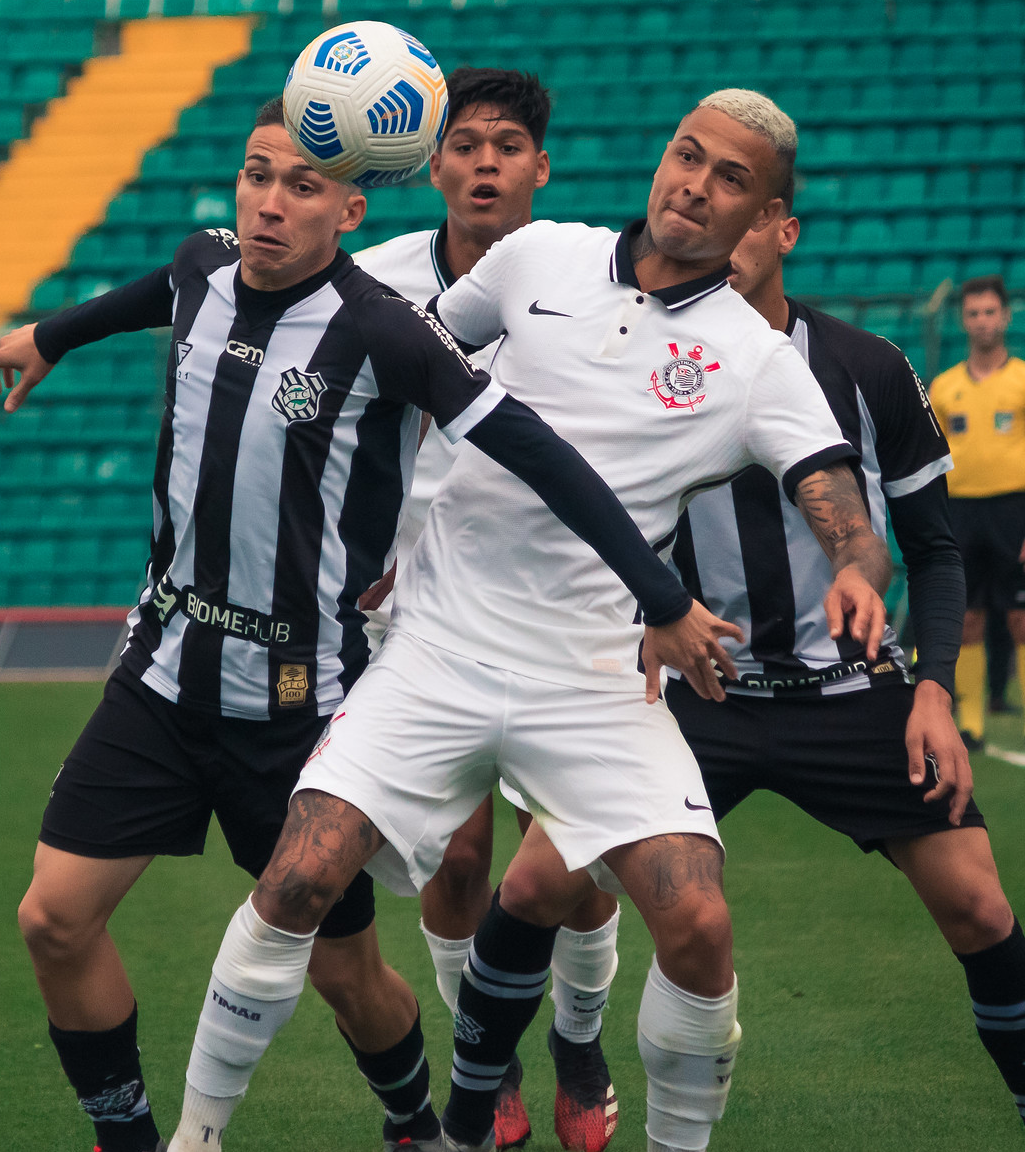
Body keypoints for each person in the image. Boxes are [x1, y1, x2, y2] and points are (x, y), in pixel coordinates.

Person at [167, 90, 888, 1152]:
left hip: (594, 675)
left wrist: (857, 568)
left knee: (695, 921)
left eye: (728, 177)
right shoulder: (538, 256)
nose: (694, 183)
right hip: (436, 646)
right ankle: (194, 1138)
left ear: (766, 216)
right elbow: (381, 367)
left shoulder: (755, 361)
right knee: (296, 878)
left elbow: (838, 498)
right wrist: (376, 537)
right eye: (685, 154)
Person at [0, 99, 699, 1152]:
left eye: (301, 187)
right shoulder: (199, 268)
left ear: (348, 208)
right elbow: (149, 295)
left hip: (297, 700)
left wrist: (663, 597)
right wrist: (47, 335)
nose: (270, 203)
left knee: (342, 970)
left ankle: (411, 1120)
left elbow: (535, 452)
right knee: (51, 918)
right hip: (163, 668)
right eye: (256, 176)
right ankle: (129, 1136)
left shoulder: (379, 330)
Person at [669, 182, 1025, 1152]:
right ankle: (486, 1110)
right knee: (541, 884)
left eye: (745, 213)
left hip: (850, 692)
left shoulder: (867, 367)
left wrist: (933, 690)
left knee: (977, 902)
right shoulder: (645, 360)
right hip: (698, 693)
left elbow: (933, 552)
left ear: (783, 231)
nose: (721, 233)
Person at [354, 68, 621, 1151]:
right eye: (463, 144)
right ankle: (489, 1055)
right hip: (422, 613)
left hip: (563, 610)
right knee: (458, 864)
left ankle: (580, 1037)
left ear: (539, 169)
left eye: (506, 146)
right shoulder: (372, 281)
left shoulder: (589, 278)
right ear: (432, 163)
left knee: (568, 867)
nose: (483, 163)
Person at [930, 276, 1025, 754]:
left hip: (1014, 511)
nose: (982, 320)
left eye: (990, 311)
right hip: (961, 513)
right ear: (963, 320)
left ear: (1006, 316)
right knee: (967, 619)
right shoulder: (943, 388)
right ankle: (972, 726)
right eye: (973, 313)